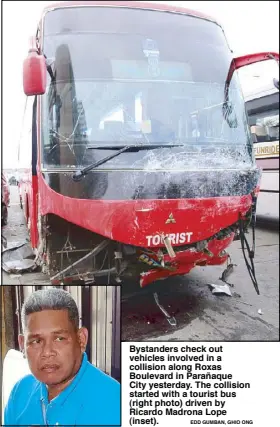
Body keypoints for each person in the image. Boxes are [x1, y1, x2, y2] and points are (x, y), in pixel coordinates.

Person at [4, 288, 121, 426]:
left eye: (59, 338)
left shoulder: (115, 402)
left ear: (81, 340)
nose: (47, 352)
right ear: (23, 345)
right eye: (36, 341)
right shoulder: (20, 392)